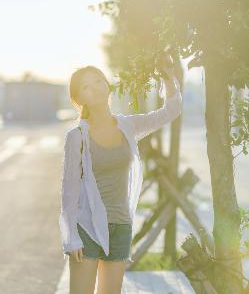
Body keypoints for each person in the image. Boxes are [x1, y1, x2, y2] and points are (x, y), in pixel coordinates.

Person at [58, 53, 183, 294]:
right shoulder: (76, 138)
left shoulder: (128, 126)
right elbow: (69, 191)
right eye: (86, 86)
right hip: (87, 226)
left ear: (107, 85)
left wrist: (168, 78)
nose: (94, 88)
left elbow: (171, 110)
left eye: (98, 81)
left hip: (120, 225)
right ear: (78, 98)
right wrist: (71, 237)